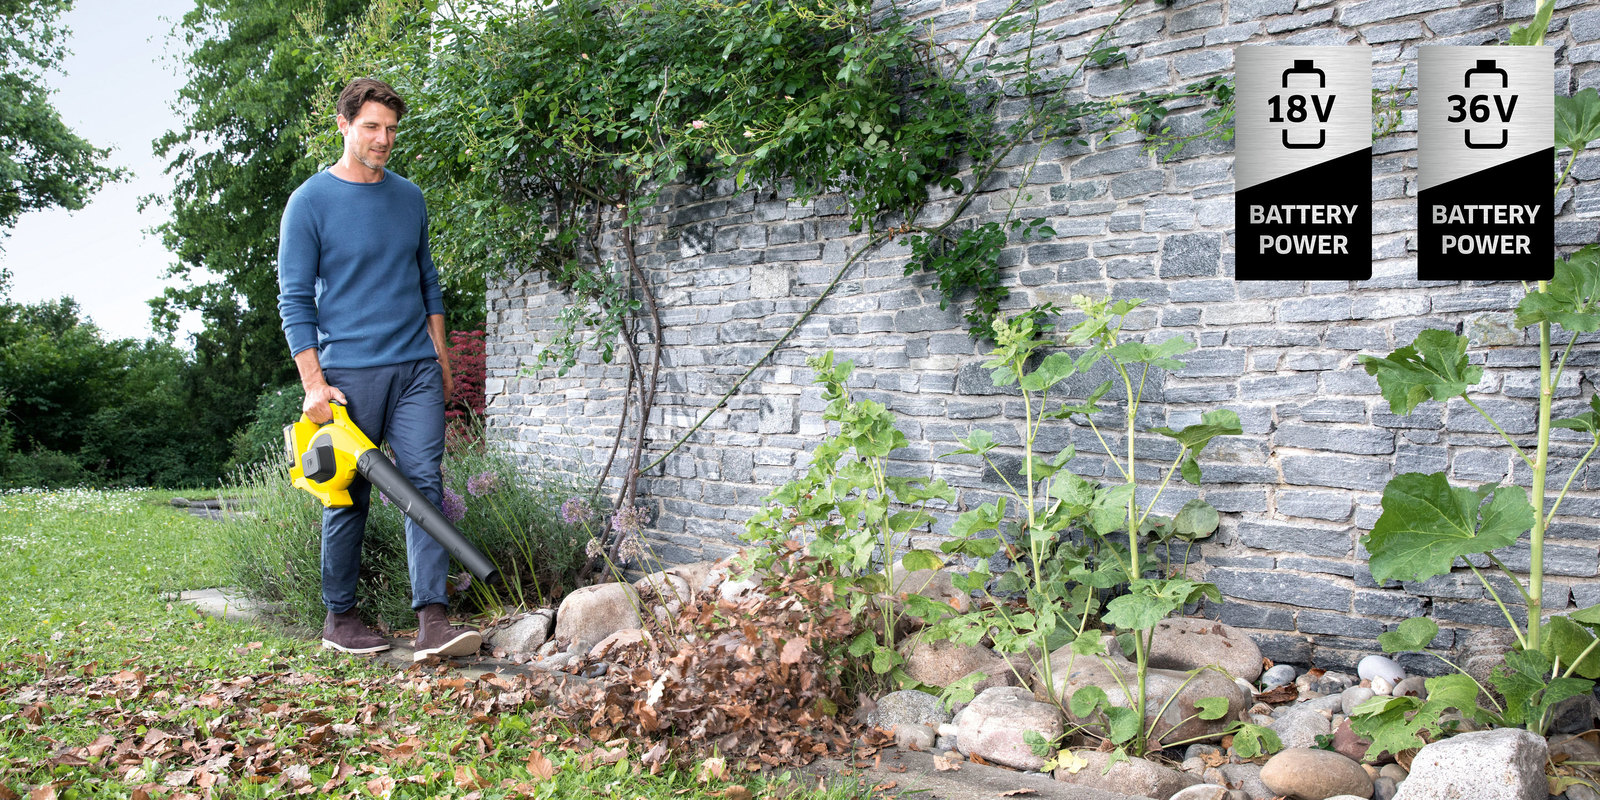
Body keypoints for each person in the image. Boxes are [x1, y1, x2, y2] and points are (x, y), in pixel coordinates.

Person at [277, 77, 481, 661]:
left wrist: (442, 360)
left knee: (424, 486)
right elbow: (295, 300)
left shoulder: (409, 198)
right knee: (348, 495)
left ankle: (432, 621)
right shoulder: (309, 202)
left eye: (391, 129)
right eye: (371, 127)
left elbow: (427, 282)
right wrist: (313, 385)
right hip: (348, 377)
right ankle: (340, 618)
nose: (383, 139)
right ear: (344, 125)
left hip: (415, 368)